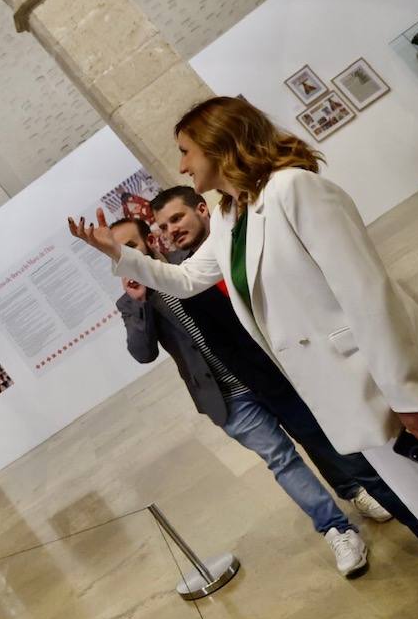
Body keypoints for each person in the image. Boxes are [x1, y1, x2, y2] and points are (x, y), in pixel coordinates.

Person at [69, 95, 418, 603]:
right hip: (340, 391)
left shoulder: (296, 190)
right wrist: (119, 254)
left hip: (377, 380)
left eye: (186, 151)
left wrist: (407, 396)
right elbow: (184, 279)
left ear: (219, 144)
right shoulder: (232, 216)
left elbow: (368, 294)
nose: (180, 165)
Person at [111, 216, 370, 575]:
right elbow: (142, 352)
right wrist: (140, 304)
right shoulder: (131, 303)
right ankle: (336, 529)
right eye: (116, 251)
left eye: (131, 246)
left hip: (262, 371)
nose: (124, 255)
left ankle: (354, 489)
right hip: (224, 398)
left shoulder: (190, 264)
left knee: (316, 436)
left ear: (150, 242)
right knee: (281, 460)